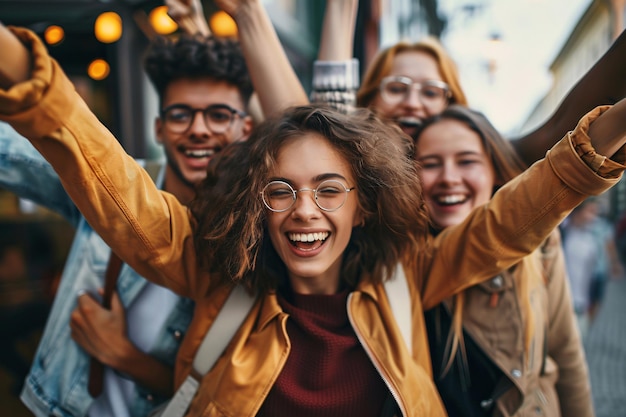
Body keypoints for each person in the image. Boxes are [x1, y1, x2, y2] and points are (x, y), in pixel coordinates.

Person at [1, 23, 626, 416]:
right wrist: (29, 79)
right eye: (280, 190)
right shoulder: (219, 275)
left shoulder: (409, 276)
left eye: (329, 190)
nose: (304, 210)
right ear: (257, 202)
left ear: (363, 205)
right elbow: (117, 189)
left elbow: (523, 210)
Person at [0, 31, 253, 417]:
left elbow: (227, 394)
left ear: (246, 130)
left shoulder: (254, 234)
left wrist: (123, 355)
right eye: (181, 114)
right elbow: (15, 154)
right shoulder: (107, 182)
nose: (199, 129)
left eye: (219, 115)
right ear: (159, 128)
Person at [413, 105, 593, 416]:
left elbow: (565, 352)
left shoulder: (541, 244)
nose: (449, 178)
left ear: (494, 169)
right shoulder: (398, 262)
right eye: (429, 164)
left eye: (467, 161)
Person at [310, 0, 626, 168]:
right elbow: (328, 116)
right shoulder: (345, 164)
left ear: (453, 107)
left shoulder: (482, 165)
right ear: (367, 99)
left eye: (431, 91)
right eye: (396, 87)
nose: (412, 101)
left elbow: (556, 130)